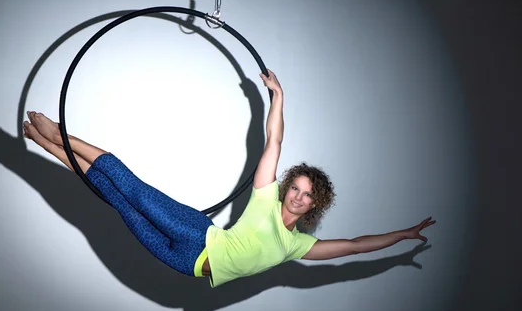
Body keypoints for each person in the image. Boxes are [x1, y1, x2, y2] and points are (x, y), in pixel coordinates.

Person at [23, 69, 435, 287]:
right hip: (197, 234)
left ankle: (46, 146)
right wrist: (279, 97)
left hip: (184, 264)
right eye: (295, 187)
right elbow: (273, 141)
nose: (296, 196)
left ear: (315, 204)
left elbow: (356, 246)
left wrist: (401, 235)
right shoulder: (264, 198)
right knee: (133, 188)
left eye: (306, 195)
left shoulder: (298, 246)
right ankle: (60, 134)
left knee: (115, 199)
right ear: (287, 186)